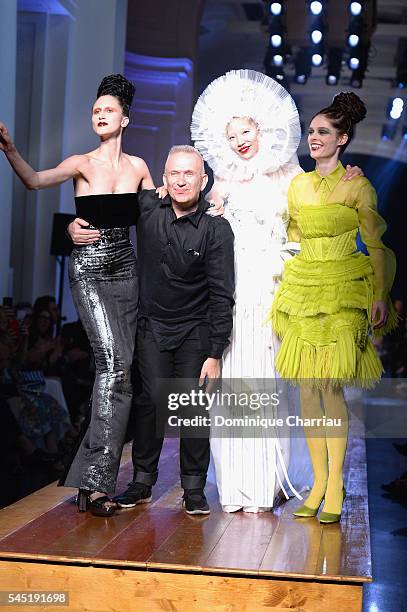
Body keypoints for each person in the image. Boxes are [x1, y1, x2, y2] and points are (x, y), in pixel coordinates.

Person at [190, 69, 362, 512]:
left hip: (277, 290)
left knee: (272, 383)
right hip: (233, 293)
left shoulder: (292, 177)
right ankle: (236, 488)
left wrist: (346, 181)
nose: (239, 141)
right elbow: (199, 230)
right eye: (231, 136)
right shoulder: (222, 184)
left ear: (261, 128)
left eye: (244, 131)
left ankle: (266, 484)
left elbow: (315, 222)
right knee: (234, 386)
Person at [0, 73, 155, 516]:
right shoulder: (81, 163)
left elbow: (161, 209)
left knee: (121, 373)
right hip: (89, 268)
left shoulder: (139, 168)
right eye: (96, 111)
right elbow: (34, 181)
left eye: (108, 110)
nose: (100, 115)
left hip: (126, 267)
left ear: (124, 118)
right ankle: (97, 483)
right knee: (112, 366)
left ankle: (86, 478)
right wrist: (11, 149)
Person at [270, 92, 397, 523]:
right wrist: (287, 283)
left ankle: (336, 484)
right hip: (305, 285)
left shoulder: (358, 184)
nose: (314, 138)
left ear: (342, 139)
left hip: (343, 286)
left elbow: (376, 244)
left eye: (323, 132)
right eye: (311, 132)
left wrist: (379, 293)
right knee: (306, 387)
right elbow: (292, 238)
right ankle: (320, 484)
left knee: (330, 385)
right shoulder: (299, 185)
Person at [107, 146, 234, 515]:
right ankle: (142, 481)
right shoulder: (147, 208)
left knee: (192, 406)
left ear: (203, 181)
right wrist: (74, 225)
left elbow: (222, 292)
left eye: (189, 174)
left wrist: (215, 352)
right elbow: (103, 207)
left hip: (196, 329)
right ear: (164, 178)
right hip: (151, 326)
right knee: (149, 403)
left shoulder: (216, 227)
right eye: (174, 174)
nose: (181, 180)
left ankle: (193, 488)